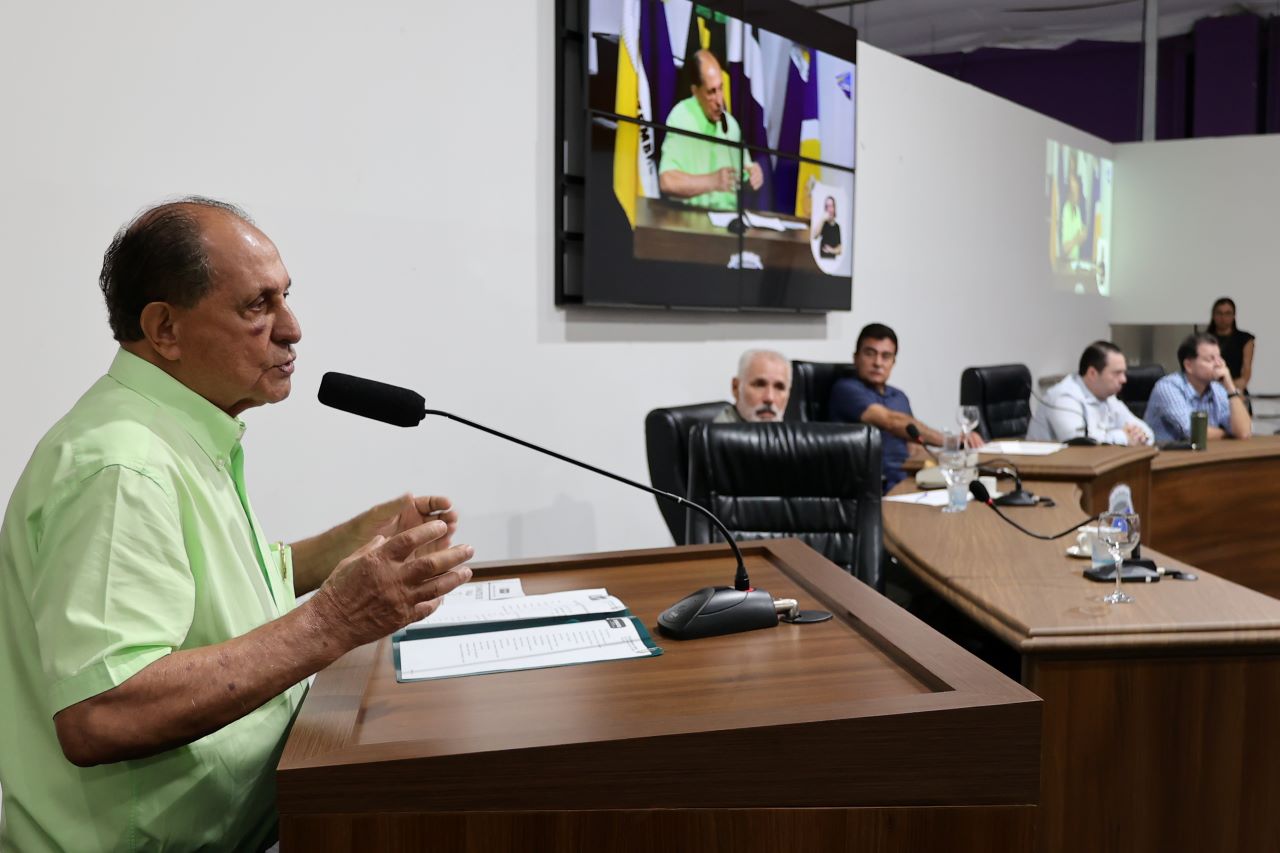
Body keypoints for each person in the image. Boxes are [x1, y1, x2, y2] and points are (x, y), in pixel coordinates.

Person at [0, 198, 476, 851]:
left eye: (286, 297)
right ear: (165, 328)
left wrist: (356, 538)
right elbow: (102, 711)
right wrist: (335, 619)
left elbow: (214, 590)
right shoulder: (120, 465)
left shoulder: (176, 427)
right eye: (257, 306)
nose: (293, 328)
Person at [829, 323, 983, 490]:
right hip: (873, 487)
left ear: (893, 362)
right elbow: (891, 422)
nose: (878, 363)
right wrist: (951, 441)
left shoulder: (899, 396)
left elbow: (915, 447)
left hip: (909, 480)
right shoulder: (846, 389)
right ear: (856, 358)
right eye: (870, 354)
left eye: (886, 356)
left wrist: (957, 457)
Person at [658, 49, 764, 211]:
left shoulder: (731, 125)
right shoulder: (681, 117)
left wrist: (753, 177)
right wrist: (712, 182)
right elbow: (667, 182)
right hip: (689, 225)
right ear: (695, 91)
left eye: (721, 88)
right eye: (711, 92)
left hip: (728, 225)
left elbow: (744, 176)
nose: (719, 101)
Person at [1026, 341, 1153, 446]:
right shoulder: (1063, 397)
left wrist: (1140, 436)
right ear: (1092, 373)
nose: (1123, 379)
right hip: (1047, 471)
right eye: (1117, 373)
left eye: (1124, 373)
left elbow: (1148, 433)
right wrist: (1124, 437)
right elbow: (1080, 444)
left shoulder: (1108, 397)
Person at [1144, 332, 1252, 442]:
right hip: (1167, 457)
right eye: (1210, 359)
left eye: (1219, 358)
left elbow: (1244, 432)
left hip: (1205, 455)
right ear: (1189, 365)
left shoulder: (1217, 389)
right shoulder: (1168, 387)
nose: (1219, 364)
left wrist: (1230, 389)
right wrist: (1226, 433)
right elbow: (1193, 433)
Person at [713, 349, 791, 423]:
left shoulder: (792, 433)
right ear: (735, 388)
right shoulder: (719, 435)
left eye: (779, 387)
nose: (769, 398)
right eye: (759, 385)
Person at [1208, 297, 1255, 394]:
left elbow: (1246, 371)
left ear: (1234, 316)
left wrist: (1230, 387)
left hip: (1236, 389)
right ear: (1213, 315)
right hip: (1209, 390)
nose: (1223, 318)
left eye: (1227, 313)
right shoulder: (1204, 339)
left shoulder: (1245, 339)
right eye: (1219, 313)